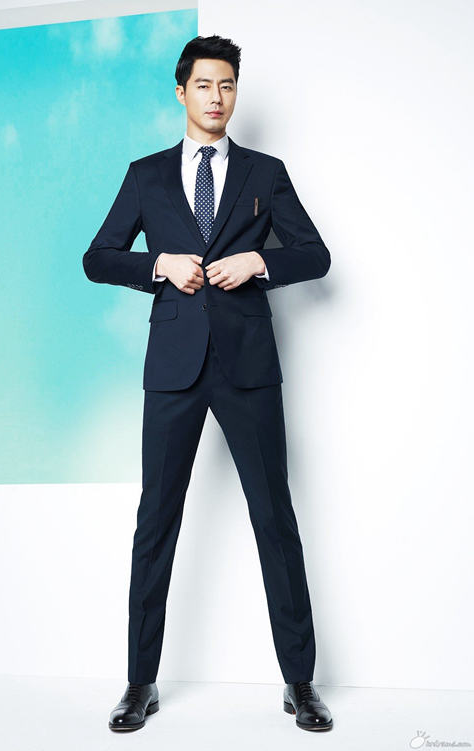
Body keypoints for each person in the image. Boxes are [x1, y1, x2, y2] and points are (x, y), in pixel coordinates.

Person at [82, 34, 333, 733]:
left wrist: (259, 261)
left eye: (226, 85)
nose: (216, 97)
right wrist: (157, 265)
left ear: (234, 92)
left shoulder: (265, 172)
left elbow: (315, 254)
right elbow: (97, 257)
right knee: (155, 523)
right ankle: (139, 683)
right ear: (181, 92)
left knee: (274, 520)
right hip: (173, 371)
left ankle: (300, 682)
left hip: (248, 369)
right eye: (203, 85)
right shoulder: (146, 176)